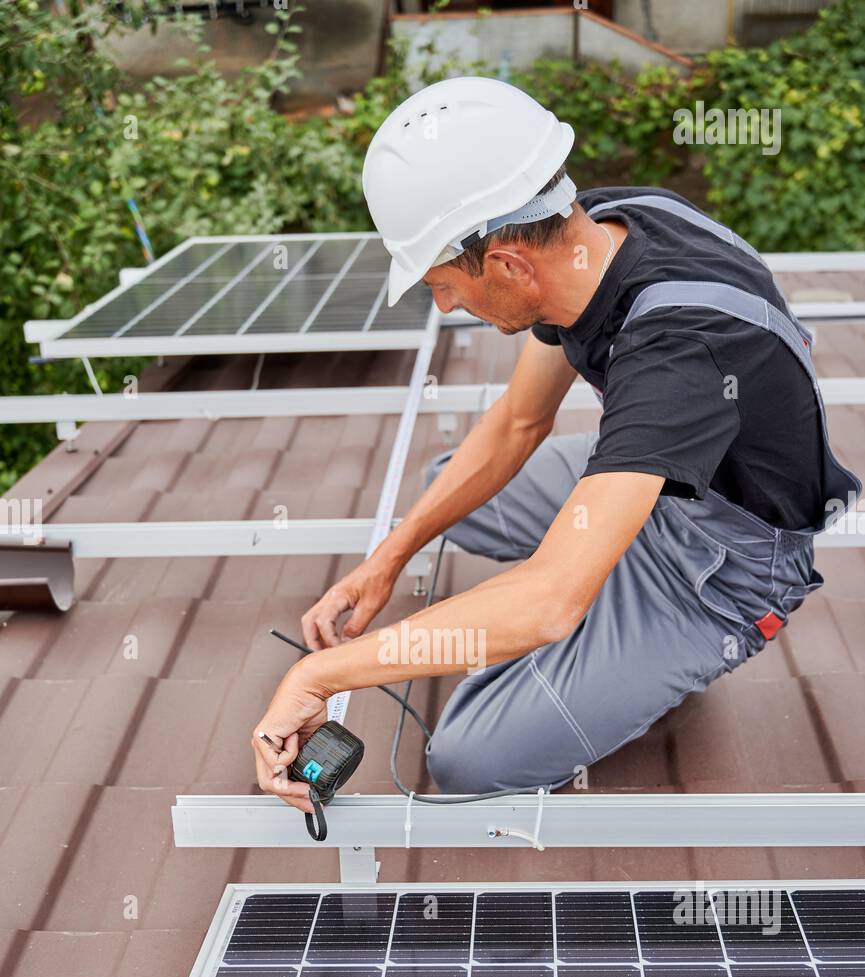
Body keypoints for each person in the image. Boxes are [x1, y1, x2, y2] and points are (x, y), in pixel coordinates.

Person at [252, 76, 859, 813]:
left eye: (441, 284)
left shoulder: (679, 351)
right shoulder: (600, 225)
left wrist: (319, 677)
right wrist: (387, 559)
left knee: (468, 756)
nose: (442, 305)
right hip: (655, 483)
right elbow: (516, 422)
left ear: (507, 264)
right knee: (450, 483)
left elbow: (546, 606)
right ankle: (594, 579)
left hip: (720, 569)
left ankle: (632, 636)